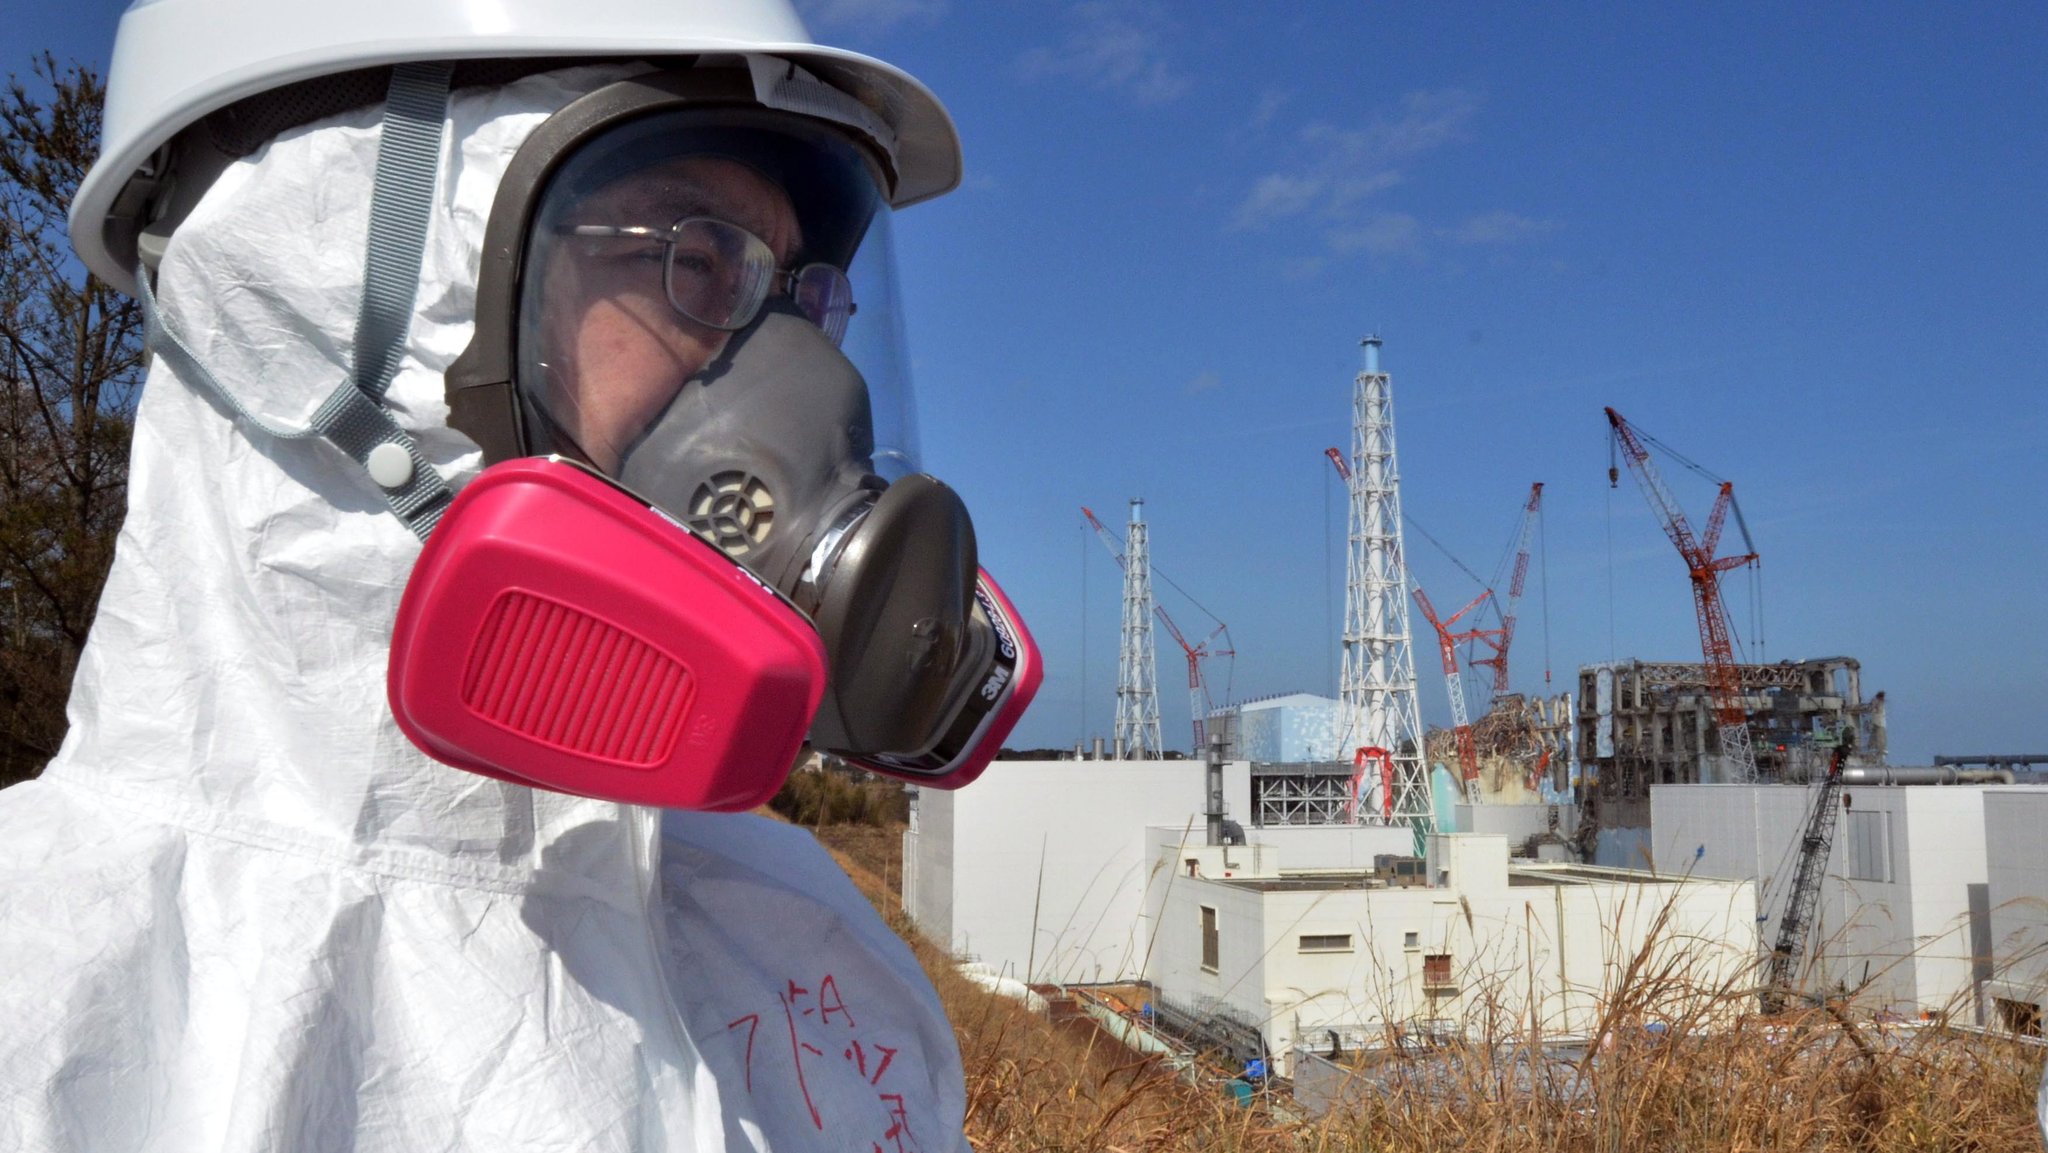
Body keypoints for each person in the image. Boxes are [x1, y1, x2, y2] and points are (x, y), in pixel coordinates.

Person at [0, 1, 1038, 1148]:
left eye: (802, 298)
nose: (804, 387)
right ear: (306, 284)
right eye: (699, 261)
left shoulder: (809, 951)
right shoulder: (47, 1016)